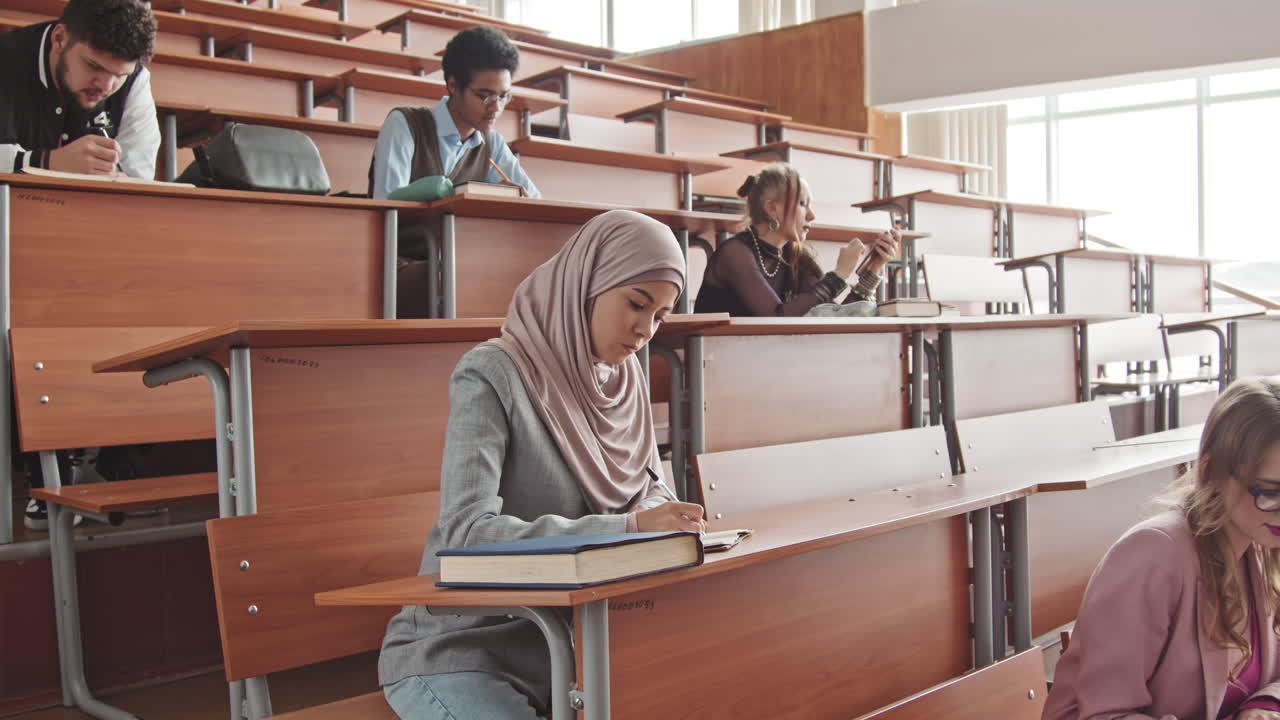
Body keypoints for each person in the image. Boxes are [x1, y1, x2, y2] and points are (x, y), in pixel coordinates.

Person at [379, 209, 706, 719]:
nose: (645, 330)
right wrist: (627, 527)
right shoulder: (493, 373)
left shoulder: (624, 381)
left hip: (575, 649)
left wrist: (668, 516)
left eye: (661, 315)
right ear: (587, 284)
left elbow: (649, 489)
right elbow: (466, 533)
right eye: (636, 304)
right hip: (465, 648)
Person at [1043, 376, 1280, 720]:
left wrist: (1264, 706)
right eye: (1270, 492)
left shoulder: (1262, 540)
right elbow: (1102, 714)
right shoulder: (1152, 555)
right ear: (1211, 471)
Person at [693, 162, 898, 317]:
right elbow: (777, 318)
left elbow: (833, 319)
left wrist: (874, 269)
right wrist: (839, 275)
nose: (811, 215)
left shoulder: (795, 258)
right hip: (716, 363)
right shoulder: (735, 253)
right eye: (802, 204)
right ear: (772, 208)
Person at [369, 25, 539, 200]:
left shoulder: (492, 143)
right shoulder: (405, 125)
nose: (496, 107)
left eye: (503, 96)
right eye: (485, 96)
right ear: (453, 86)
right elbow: (386, 204)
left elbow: (535, 201)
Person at [0, 0, 160, 179]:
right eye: (95, 66)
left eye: (120, 75)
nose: (106, 87)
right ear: (59, 38)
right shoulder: (5, 57)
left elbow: (138, 178)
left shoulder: (136, 80)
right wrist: (46, 162)